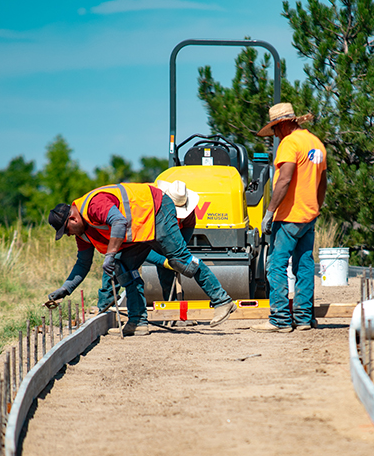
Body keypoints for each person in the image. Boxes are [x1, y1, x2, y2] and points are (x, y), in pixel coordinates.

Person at [47, 181, 236, 336]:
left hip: (157, 210)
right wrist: (65, 289)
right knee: (123, 267)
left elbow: (119, 221)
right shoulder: (83, 233)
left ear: (72, 219)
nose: (69, 235)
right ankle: (138, 321)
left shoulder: (94, 205)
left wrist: (110, 254)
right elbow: (83, 263)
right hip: (140, 230)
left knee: (180, 261)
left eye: (67, 231)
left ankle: (222, 300)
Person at [251, 103, 328, 333]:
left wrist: (270, 211)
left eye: (275, 129)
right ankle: (304, 318)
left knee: (275, 265)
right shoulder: (316, 143)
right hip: (308, 216)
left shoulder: (290, 143)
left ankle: (280, 319)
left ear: (283, 124)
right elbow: (322, 182)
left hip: (289, 217)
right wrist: (316, 207)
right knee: (304, 266)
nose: (275, 135)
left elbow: (284, 180)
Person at [95, 180, 197, 312]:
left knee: (170, 268)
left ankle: (174, 308)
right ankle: (106, 304)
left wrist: (175, 259)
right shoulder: (150, 206)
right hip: (139, 236)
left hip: (163, 240)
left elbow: (181, 244)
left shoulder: (188, 215)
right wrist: (164, 261)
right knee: (117, 263)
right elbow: (144, 245)